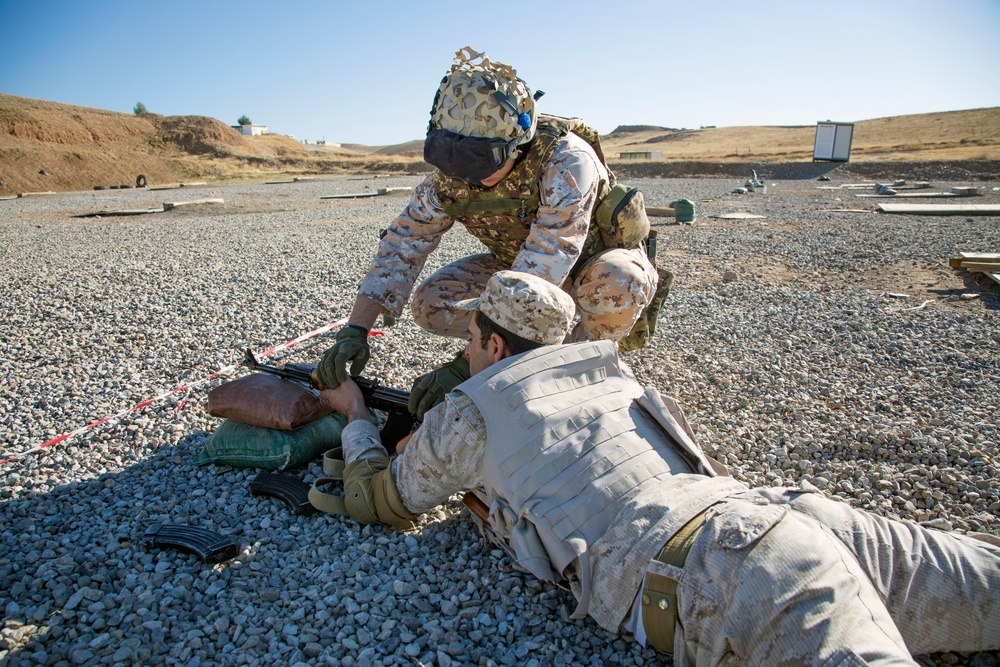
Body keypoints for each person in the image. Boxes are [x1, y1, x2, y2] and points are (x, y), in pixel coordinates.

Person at [317, 270, 1000, 667]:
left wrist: (354, 416)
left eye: (469, 342)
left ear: (493, 343)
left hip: (725, 567)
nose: (465, 356)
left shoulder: (472, 410)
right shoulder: (609, 373)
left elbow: (384, 499)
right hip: (772, 512)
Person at [313, 46, 665, 419]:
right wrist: (356, 330)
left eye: (482, 161)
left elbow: (541, 269)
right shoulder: (450, 179)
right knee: (432, 303)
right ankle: (515, 354)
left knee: (621, 279)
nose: (471, 177)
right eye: (455, 160)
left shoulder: (564, 161)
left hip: (587, 270)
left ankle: (576, 369)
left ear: (519, 139)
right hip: (519, 266)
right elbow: (401, 247)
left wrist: (467, 366)